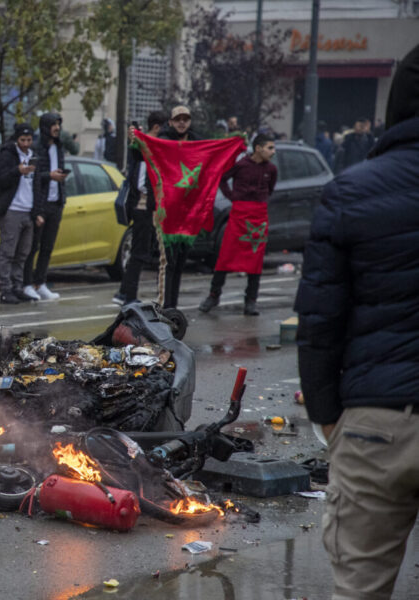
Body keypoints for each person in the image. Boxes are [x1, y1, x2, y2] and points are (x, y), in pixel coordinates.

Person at [294, 43, 419, 600]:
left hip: (376, 424)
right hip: (376, 413)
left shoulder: (352, 190)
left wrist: (330, 420)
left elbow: (319, 322)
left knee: (359, 590)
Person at [199, 134, 277, 316]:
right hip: (239, 215)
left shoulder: (271, 169)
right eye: (270, 148)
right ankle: (214, 295)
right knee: (225, 257)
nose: (273, 152)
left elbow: (271, 189)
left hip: (259, 217)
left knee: (256, 261)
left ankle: (251, 300)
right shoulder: (241, 164)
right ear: (258, 148)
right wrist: (231, 196)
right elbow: (222, 178)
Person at [112, 111, 167, 306]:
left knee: (140, 250)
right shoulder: (146, 148)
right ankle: (129, 296)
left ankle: (123, 292)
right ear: (157, 127)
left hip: (144, 206)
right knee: (139, 252)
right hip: (143, 207)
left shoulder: (145, 146)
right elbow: (142, 182)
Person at [158, 105, 201, 309]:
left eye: (185, 119)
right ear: (171, 122)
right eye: (178, 119)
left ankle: (172, 306)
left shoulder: (197, 142)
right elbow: (145, 153)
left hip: (189, 211)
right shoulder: (163, 141)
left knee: (181, 261)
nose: (182, 123)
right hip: (168, 209)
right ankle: (165, 306)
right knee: (169, 261)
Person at [22, 112, 68, 301]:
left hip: (56, 203)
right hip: (40, 204)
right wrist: (49, 176)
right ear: (45, 127)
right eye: (53, 124)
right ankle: (26, 283)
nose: (57, 128)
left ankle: (40, 283)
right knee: (32, 247)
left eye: (58, 124)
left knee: (48, 247)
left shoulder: (59, 147)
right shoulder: (35, 148)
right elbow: (31, 176)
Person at [0, 123, 37, 304]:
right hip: (12, 209)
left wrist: (38, 210)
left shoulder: (33, 155)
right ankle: (5, 289)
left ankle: (17, 287)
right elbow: (0, 179)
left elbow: (37, 184)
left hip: (28, 209)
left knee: (23, 253)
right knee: (8, 252)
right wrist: (17, 171)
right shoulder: (7, 155)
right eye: (22, 140)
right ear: (17, 139)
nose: (26, 144)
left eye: (29, 140)